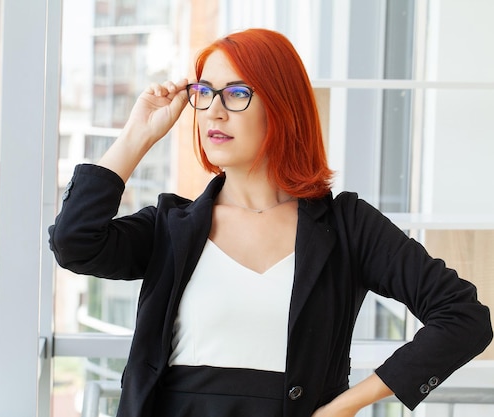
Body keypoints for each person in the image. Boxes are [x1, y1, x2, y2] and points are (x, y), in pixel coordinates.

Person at [49, 28, 492, 417]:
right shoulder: (171, 226)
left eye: (237, 94)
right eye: (204, 93)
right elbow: (75, 242)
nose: (214, 112)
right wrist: (137, 135)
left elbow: (464, 318)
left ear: (282, 107)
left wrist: (346, 405)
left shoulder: (347, 226)